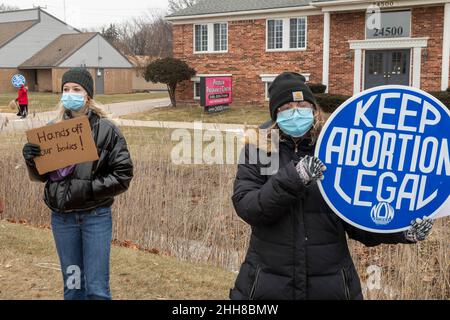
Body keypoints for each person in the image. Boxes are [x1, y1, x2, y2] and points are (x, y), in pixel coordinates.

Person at [229, 72, 434, 300]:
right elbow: (248, 206)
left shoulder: (337, 148)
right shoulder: (258, 150)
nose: (295, 112)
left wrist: (401, 229)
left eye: (302, 105)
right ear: (276, 114)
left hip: (330, 286)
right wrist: (295, 177)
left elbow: (357, 219)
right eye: (286, 107)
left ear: (313, 109)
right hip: (268, 285)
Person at [22, 68, 134, 300]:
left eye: (76, 89)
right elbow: (43, 176)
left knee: (96, 288)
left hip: (95, 218)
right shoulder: (51, 132)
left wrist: (88, 189)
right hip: (63, 220)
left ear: (88, 96)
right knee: (73, 287)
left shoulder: (107, 130)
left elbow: (123, 176)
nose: (70, 93)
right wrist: (32, 160)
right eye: (65, 89)